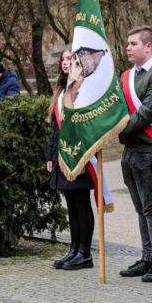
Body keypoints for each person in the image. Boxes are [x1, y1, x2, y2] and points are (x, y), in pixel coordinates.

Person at [117, 26, 152, 282]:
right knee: (140, 208)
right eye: (127, 43)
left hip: (149, 150)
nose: (128, 47)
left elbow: (148, 111)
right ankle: (147, 257)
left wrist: (118, 127)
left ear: (148, 47)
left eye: (133, 43)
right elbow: (117, 107)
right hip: (130, 150)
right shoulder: (126, 76)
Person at [46, 48, 95, 270]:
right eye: (64, 59)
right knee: (72, 204)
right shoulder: (62, 88)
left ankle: (85, 253)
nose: (66, 63)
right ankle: (74, 249)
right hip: (62, 154)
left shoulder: (84, 89)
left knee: (82, 203)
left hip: (78, 154)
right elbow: (55, 128)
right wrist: (50, 155)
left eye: (71, 59)